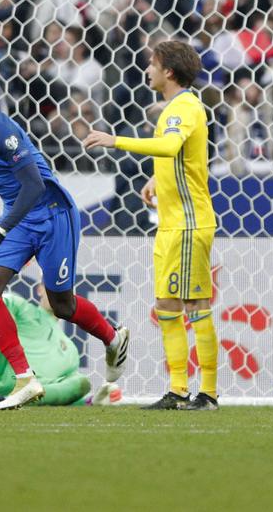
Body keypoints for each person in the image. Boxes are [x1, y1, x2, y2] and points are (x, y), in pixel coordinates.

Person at [0, 74, 129, 411]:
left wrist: (0, 230)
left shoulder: (1, 131)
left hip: (53, 215)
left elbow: (35, 185)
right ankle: (25, 379)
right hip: (19, 219)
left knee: (62, 305)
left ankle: (113, 337)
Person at [78, 40, 219, 411]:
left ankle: (206, 393)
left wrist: (115, 141)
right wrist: (158, 180)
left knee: (194, 304)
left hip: (188, 225)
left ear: (168, 71)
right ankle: (178, 391)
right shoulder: (178, 107)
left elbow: (171, 146)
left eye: (153, 64)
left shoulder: (183, 107)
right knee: (169, 305)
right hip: (173, 224)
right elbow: (183, 155)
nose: (148, 70)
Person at [0, 288, 94, 407]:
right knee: (6, 307)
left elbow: (67, 389)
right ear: (40, 289)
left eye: (63, 288)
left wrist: (91, 400)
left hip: (5, 394)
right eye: (52, 286)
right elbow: (0, 316)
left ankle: (9, 398)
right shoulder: (24, 310)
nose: (57, 292)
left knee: (82, 382)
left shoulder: (70, 348)